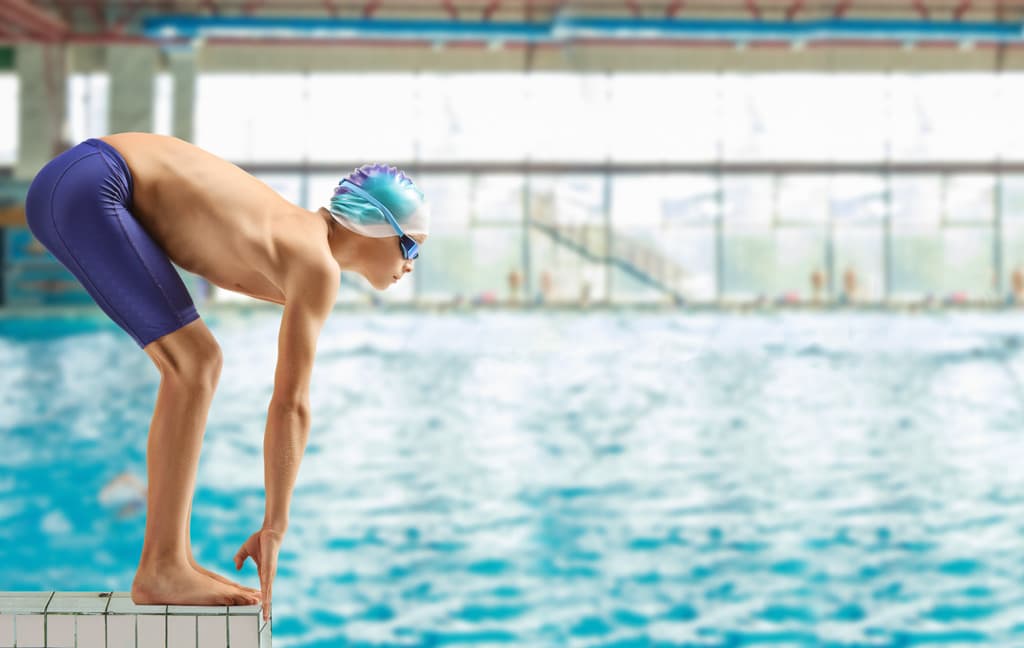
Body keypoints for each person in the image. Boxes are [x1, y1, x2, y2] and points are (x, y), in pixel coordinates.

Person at [23, 133, 430, 621]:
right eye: (410, 246)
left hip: (81, 178)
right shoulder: (315, 264)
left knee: (198, 362)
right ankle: (162, 566)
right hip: (94, 184)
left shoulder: (297, 241)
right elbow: (291, 404)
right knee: (196, 364)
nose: (409, 265)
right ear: (373, 226)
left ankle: (172, 558)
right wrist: (275, 526)